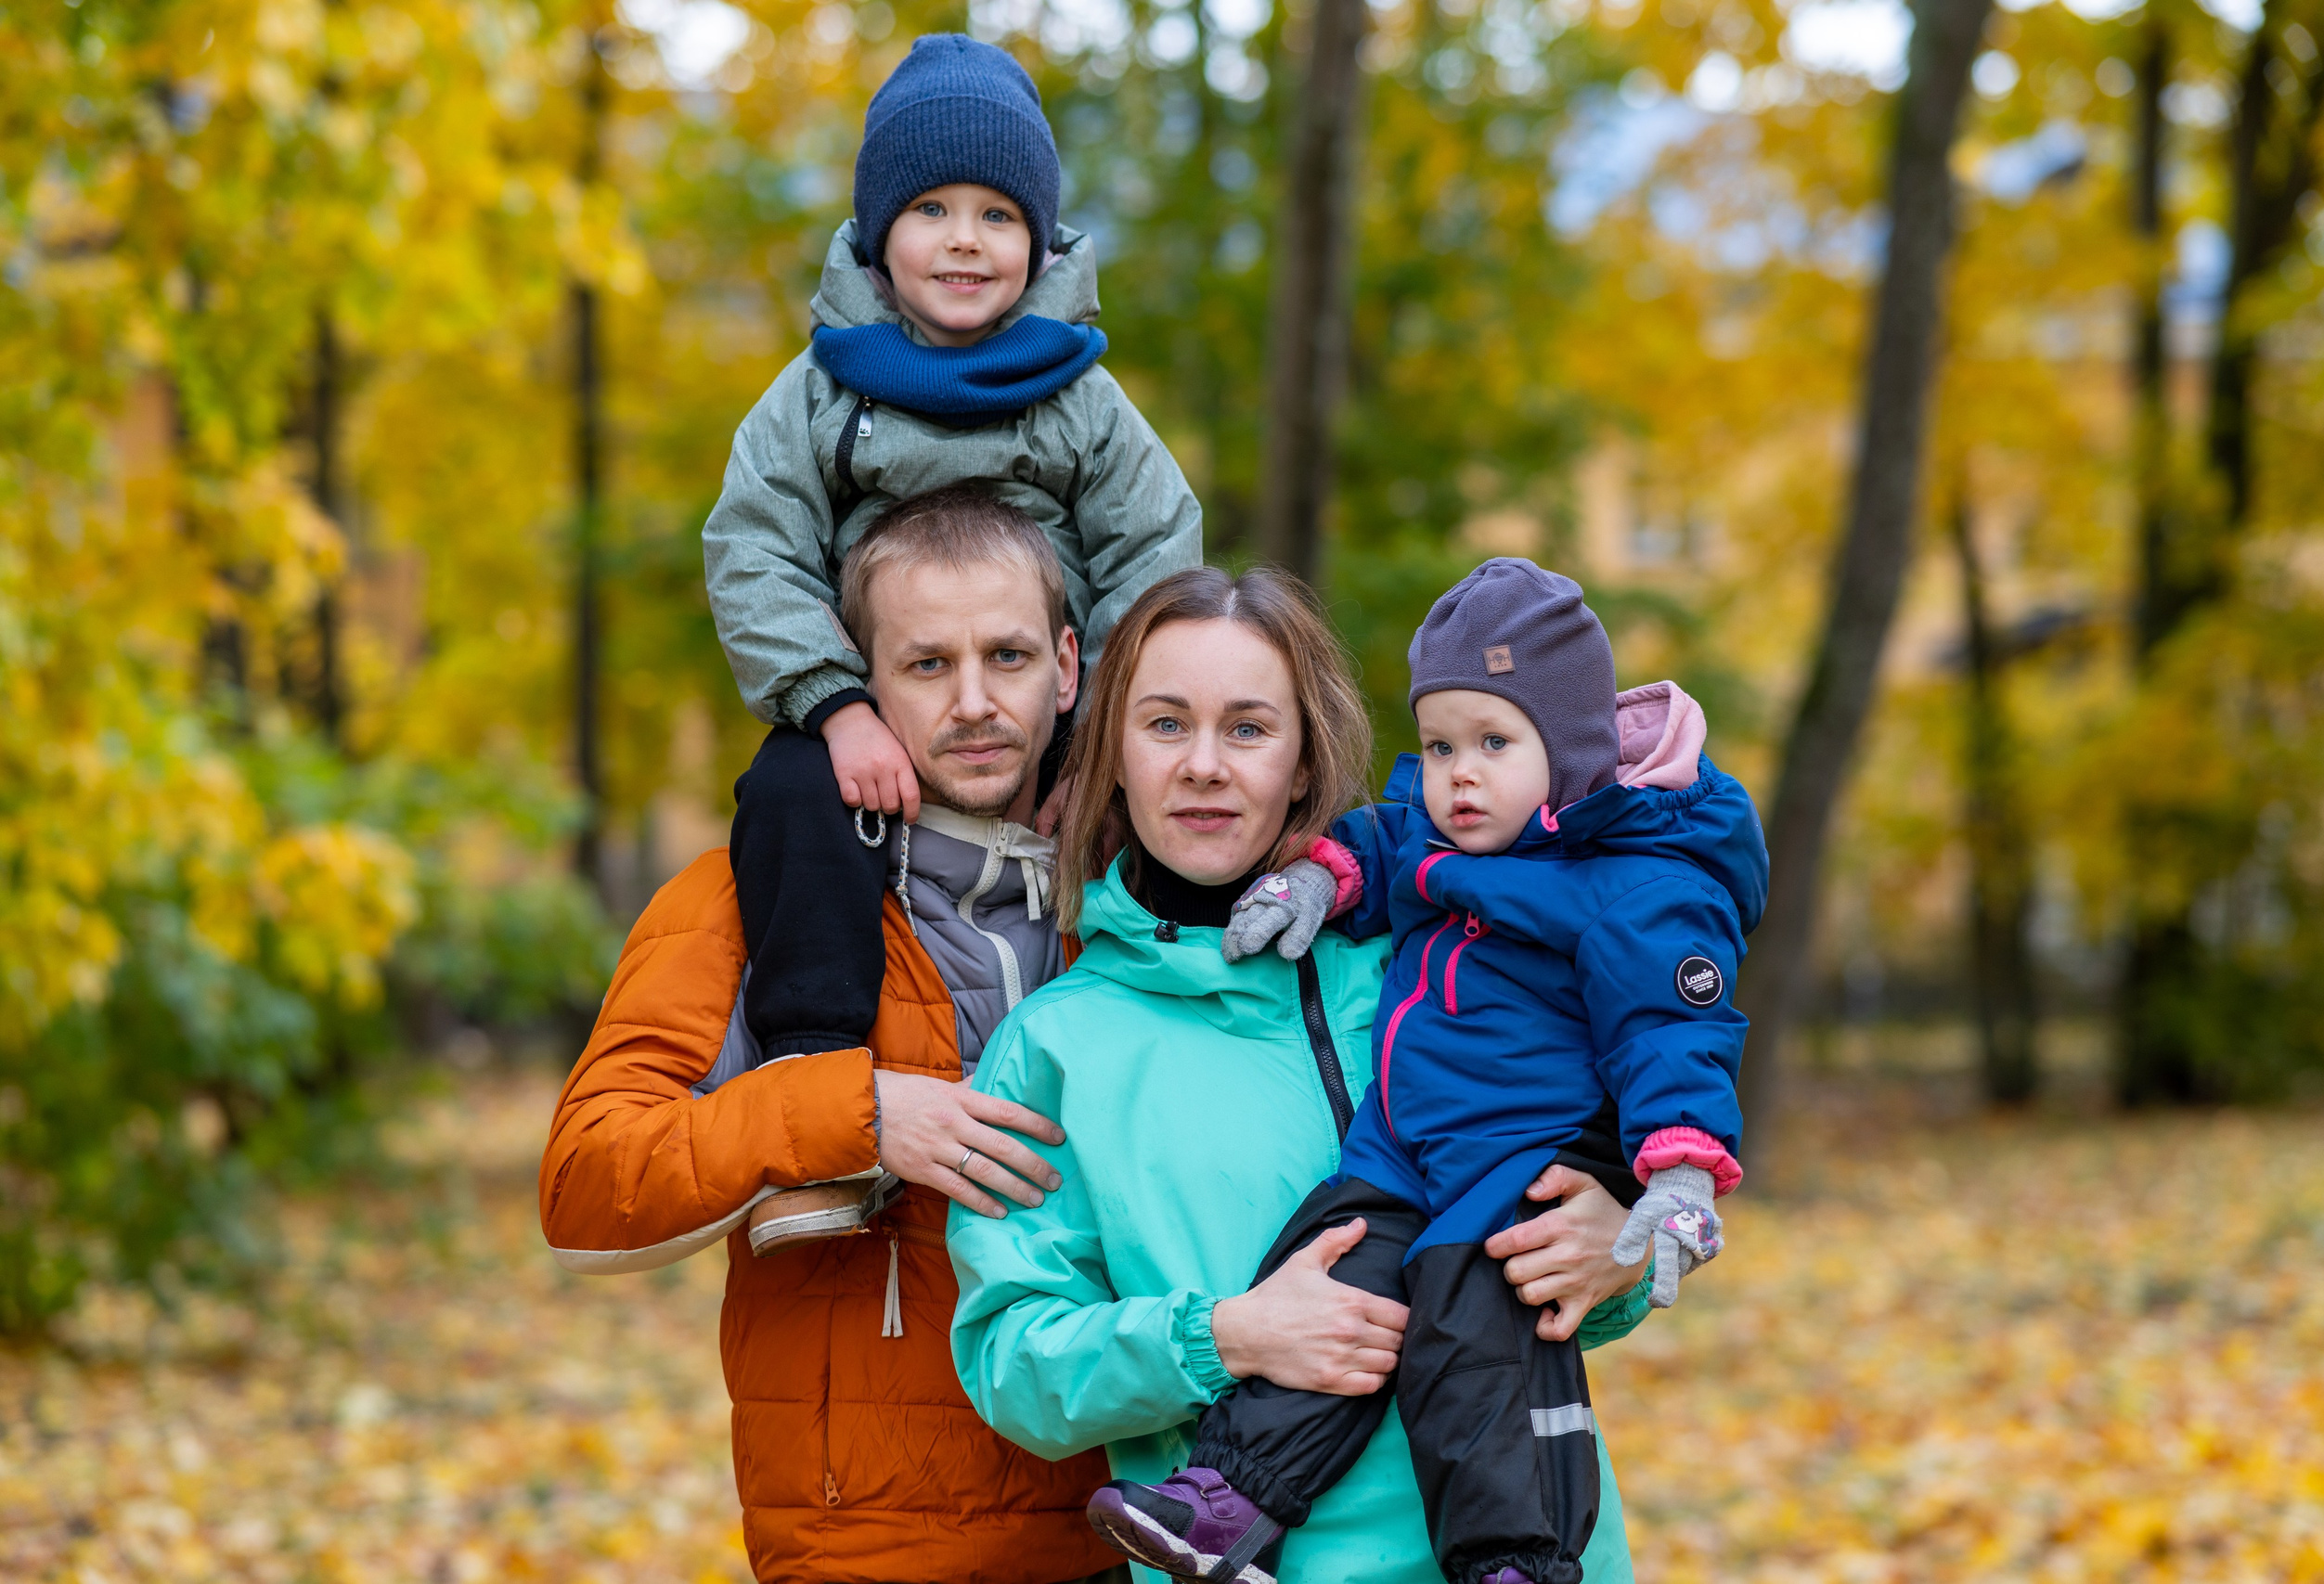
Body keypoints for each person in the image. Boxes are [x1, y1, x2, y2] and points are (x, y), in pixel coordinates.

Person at [947, 566, 1656, 1584]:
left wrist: (1620, 1252)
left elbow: (1583, 1251)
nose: (1203, 766)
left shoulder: (1445, 961)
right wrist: (1224, 1338)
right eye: (1165, 724)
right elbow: (1013, 1364)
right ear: (1113, 756)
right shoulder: (1055, 1046)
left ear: (1303, 759)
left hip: (1538, 1554)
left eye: (1247, 728)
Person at [1088, 558, 1770, 1584]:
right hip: (1402, 1153)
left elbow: (1673, 1029)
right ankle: (1227, 1501)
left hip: (1516, 1159)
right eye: (1441, 743)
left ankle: (1513, 1558)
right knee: (1322, 1279)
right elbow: (1377, 844)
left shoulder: (1634, 885)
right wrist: (1317, 882)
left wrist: (1674, 1177)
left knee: (1472, 1344)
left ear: (1571, 754)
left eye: (1494, 743)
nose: (1458, 774)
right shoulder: (1444, 834)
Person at [542, 492, 1129, 1584]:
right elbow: (586, 1186)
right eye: (926, 665)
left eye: (1005, 657)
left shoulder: (1140, 902)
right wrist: (856, 1113)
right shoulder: (739, 903)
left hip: (1128, 1527)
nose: (973, 703)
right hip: (863, 1545)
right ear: (859, 683)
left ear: (1065, 667)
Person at [704, 32, 1203, 1075]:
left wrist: (1102, 731)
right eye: (931, 210)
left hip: (1042, 704)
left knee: (1171, 787)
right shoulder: (822, 391)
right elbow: (754, 545)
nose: (965, 240)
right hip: (881, 698)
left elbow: (1156, 550)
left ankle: (1190, 1024)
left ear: (1040, 241)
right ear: (879, 234)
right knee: (790, 790)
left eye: (998, 215)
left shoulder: (1078, 394)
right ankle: (812, 1053)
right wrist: (835, 705)